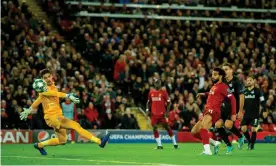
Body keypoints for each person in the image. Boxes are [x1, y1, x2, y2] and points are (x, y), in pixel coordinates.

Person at [20, 69, 110, 155]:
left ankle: (39, 145)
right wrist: (67, 95)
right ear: (42, 80)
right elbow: (55, 94)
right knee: (76, 125)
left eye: (49, 76)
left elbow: (39, 99)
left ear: (52, 76)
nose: (48, 79)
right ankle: (99, 142)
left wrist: (29, 109)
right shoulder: (43, 89)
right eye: (45, 78)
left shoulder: (52, 86)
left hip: (58, 116)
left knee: (62, 140)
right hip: (52, 118)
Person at [193, 67, 236, 155]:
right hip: (207, 110)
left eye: (215, 75)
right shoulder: (214, 86)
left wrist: (234, 113)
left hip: (214, 111)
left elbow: (233, 99)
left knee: (203, 129)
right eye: (212, 74)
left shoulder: (224, 87)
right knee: (194, 132)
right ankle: (215, 143)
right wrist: (203, 94)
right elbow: (212, 94)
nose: (212, 76)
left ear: (220, 76)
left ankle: (207, 151)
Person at [219, 63, 245, 153]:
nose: (224, 71)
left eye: (226, 69)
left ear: (231, 70)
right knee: (218, 125)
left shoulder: (237, 82)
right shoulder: (222, 81)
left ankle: (240, 136)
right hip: (223, 107)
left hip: (233, 107)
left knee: (227, 125)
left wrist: (240, 111)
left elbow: (241, 96)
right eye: (223, 70)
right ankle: (229, 145)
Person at [146, 79, 178, 149]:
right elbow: (148, 102)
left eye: (158, 83)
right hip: (153, 115)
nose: (157, 84)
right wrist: (147, 109)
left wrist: (167, 112)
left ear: (160, 84)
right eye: (156, 83)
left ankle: (175, 144)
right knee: (154, 128)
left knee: (167, 127)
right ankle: (159, 145)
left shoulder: (164, 92)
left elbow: (169, 103)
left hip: (162, 115)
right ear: (154, 84)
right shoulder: (151, 93)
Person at [241, 76, 267, 150]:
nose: (248, 82)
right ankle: (249, 141)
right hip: (246, 114)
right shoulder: (244, 91)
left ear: (253, 81)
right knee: (243, 129)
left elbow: (262, 101)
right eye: (247, 80)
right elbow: (241, 103)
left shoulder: (258, 91)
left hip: (254, 115)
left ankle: (252, 144)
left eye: (250, 80)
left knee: (253, 129)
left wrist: (264, 110)